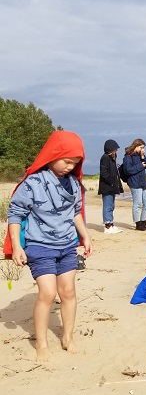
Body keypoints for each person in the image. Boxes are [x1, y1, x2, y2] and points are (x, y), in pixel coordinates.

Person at [3, 131, 93, 362]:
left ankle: (67, 337)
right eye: (66, 161)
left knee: (69, 292)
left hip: (66, 244)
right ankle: (41, 343)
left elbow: (75, 213)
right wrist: (16, 245)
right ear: (53, 155)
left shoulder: (73, 183)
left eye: (75, 163)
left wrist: (86, 237)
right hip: (39, 245)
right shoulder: (33, 182)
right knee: (48, 293)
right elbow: (15, 214)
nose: (69, 167)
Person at [122, 138, 146, 231]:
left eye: (143, 147)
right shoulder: (128, 157)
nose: (142, 149)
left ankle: (143, 222)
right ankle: (138, 223)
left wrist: (143, 156)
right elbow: (128, 170)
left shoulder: (141, 155)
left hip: (143, 182)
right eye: (141, 147)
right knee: (137, 204)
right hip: (135, 183)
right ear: (136, 146)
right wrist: (141, 166)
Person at [98, 139, 123, 234]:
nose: (116, 151)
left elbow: (115, 173)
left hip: (112, 186)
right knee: (107, 206)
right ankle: (108, 226)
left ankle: (111, 224)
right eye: (115, 149)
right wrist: (111, 182)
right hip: (107, 187)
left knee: (111, 206)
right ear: (110, 149)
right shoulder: (105, 158)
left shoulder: (112, 159)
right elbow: (104, 173)